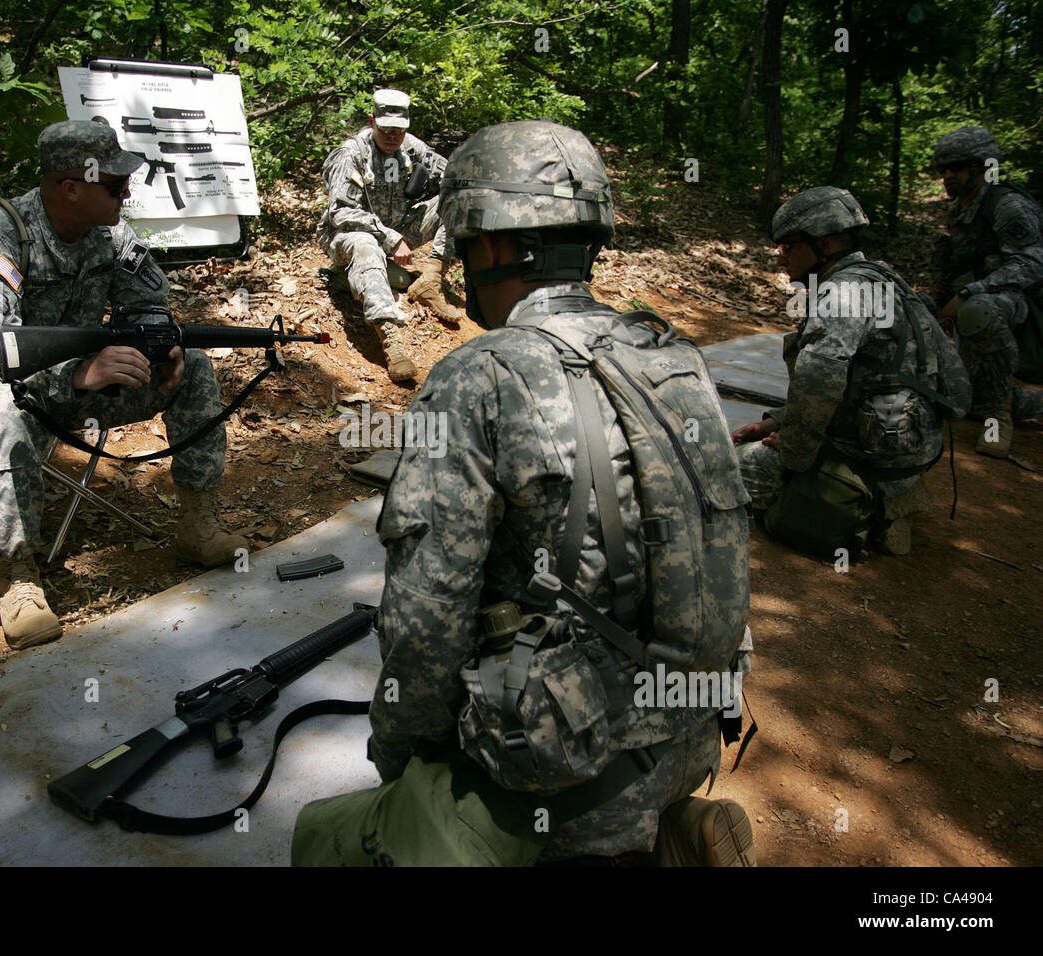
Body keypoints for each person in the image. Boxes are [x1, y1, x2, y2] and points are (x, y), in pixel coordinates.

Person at [293, 120, 755, 866]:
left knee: (331, 844)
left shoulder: (480, 375)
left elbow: (424, 619)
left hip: (558, 779)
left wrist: (405, 758)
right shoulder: (673, 359)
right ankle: (663, 835)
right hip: (691, 734)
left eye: (463, 244)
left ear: (496, 246)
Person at [0, 120, 248, 649]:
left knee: (196, 369)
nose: (127, 193)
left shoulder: (109, 231)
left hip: (80, 382)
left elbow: (145, 299)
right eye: (115, 185)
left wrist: (157, 343)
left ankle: (197, 523)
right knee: (3, 411)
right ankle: (18, 575)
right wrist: (75, 374)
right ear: (70, 188)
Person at [734, 187, 970, 557]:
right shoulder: (885, 280)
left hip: (870, 458)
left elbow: (818, 380)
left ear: (824, 244)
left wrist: (793, 450)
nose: (782, 259)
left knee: (720, 471)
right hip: (913, 447)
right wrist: (774, 422)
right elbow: (869, 380)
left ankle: (872, 510)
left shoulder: (842, 294)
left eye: (788, 246)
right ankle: (892, 496)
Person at [316, 88, 462, 381]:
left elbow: (452, 175)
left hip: (399, 224)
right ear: (372, 121)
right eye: (386, 129)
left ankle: (430, 281)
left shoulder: (410, 147)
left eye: (399, 130)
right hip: (348, 234)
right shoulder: (352, 154)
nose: (393, 136)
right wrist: (389, 238)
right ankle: (391, 339)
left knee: (459, 198)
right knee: (367, 244)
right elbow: (341, 213)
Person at [930, 125, 1043, 457]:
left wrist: (967, 293)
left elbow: (1033, 264)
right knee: (963, 397)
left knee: (977, 309)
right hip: (980, 305)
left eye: (956, 167)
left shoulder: (1008, 206)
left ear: (980, 166)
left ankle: (998, 417)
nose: (947, 176)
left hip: (1023, 308)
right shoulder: (959, 210)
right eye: (942, 169)